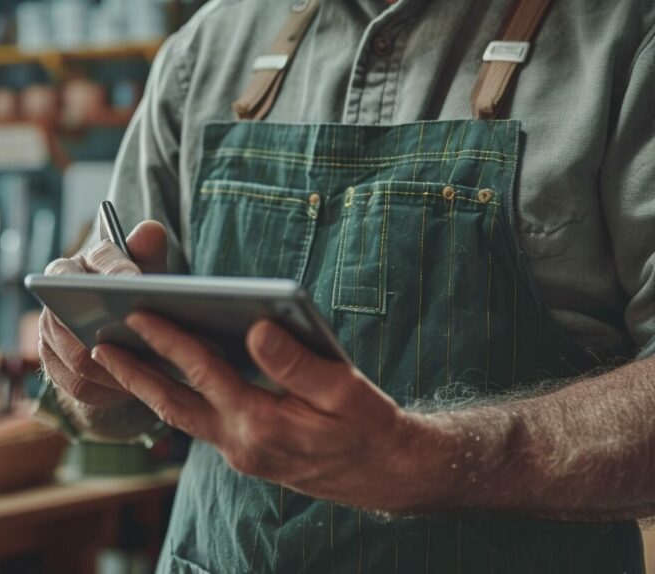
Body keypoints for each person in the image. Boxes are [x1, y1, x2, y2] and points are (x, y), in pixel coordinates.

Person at [38, 0, 655, 572]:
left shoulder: (627, 37)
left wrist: (445, 460)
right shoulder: (205, 52)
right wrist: (93, 364)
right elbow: (104, 412)